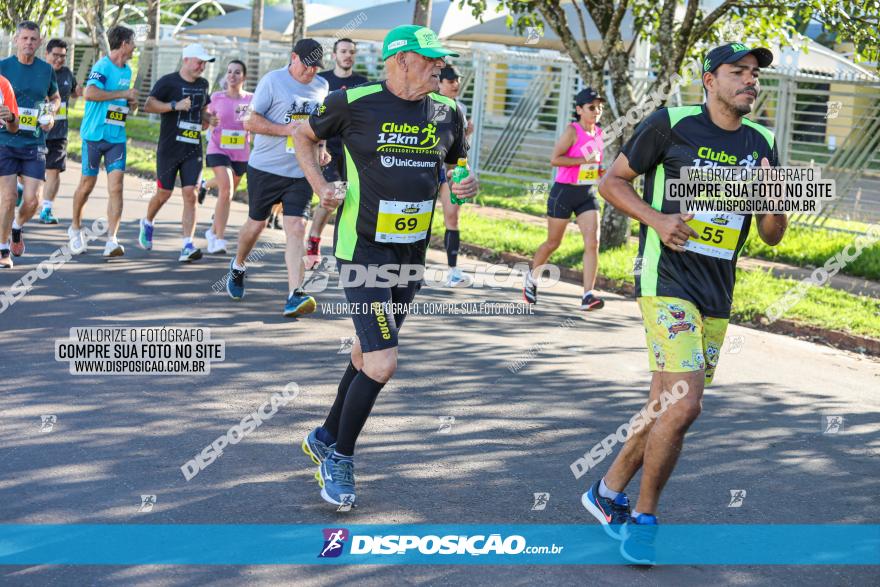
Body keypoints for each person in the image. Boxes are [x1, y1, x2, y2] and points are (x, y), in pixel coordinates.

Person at [585, 43, 787, 565]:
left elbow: (772, 236)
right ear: (708, 79)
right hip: (666, 278)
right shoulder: (670, 123)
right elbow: (610, 182)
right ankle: (644, 521)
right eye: (737, 72)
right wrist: (656, 218)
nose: (750, 81)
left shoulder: (762, 141)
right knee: (686, 401)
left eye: (754, 74)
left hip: (718, 289)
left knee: (666, 407)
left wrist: (773, 198)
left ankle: (605, 492)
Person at [295, 25, 476, 506]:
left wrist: (462, 183)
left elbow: (452, 166)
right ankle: (342, 458)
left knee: (365, 350)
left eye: (440, 60)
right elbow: (302, 135)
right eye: (430, 58)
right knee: (382, 361)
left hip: (411, 252)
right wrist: (319, 185)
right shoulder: (353, 101)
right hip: (364, 248)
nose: (439, 66)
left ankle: (326, 435)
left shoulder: (449, 111)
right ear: (400, 60)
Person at [224, 38, 329, 316]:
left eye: (316, 67)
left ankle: (295, 294)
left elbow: (318, 124)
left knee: (296, 227)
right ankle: (238, 265)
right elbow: (250, 121)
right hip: (266, 168)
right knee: (256, 225)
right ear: (294, 57)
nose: (311, 72)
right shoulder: (273, 81)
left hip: (300, 171)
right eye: (307, 66)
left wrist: (321, 149)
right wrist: (289, 130)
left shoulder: (321, 85)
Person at [523, 87, 606, 310]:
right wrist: (581, 159)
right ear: (579, 109)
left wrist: (604, 173)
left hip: (587, 193)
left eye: (599, 107)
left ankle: (588, 295)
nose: (596, 111)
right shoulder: (572, 131)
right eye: (591, 107)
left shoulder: (599, 133)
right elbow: (555, 159)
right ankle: (531, 279)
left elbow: (595, 166)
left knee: (593, 243)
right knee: (553, 242)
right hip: (564, 192)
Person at [140, 43, 215, 262]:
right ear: (186, 60)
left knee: (190, 194)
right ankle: (147, 221)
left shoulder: (203, 84)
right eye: (199, 62)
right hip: (170, 149)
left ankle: (187, 245)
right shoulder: (168, 81)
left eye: (204, 63)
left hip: (193, 148)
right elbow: (148, 105)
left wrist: (209, 120)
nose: (202, 67)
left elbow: (203, 111)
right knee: (164, 193)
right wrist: (174, 105)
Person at [68, 25, 137, 257]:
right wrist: (123, 95)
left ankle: (112, 240)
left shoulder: (127, 70)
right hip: (93, 136)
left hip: (116, 137)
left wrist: (130, 104)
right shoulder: (102, 65)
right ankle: (75, 229)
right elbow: (90, 93)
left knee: (116, 187)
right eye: (133, 42)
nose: (136, 46)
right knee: (86, 186)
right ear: (124, 44)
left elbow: (120, 102)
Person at [305, 38, 369, 268]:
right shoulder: (323, 82)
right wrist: (319, 146)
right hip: (328, 147)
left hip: (353, 150)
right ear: (334, 55)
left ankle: (345, 244)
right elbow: (316, 117)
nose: (348, 55)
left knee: (349, 198)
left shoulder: (362, 83)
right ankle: (314, 238)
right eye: (343, 51)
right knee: (334, 192)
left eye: (352, 52)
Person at [0, 20, 60, 267]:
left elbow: (54, 98)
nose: (28, 43)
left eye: (33, 39)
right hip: (5, 139)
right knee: (8, 196)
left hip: (34, 141)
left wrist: (52, 114)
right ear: (16, 40)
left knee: (32, 200)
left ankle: (17, 227)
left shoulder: (46, 70)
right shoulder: (3, 67)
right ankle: (3, 248)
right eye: (24, 38)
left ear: (39, 42)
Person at [201, 59, 252, 255]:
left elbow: (255, 123)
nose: (232, 75)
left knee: (226, 196)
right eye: (229, 71)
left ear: (244, 77)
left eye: (237, 72)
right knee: (226, 190)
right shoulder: (216, 97)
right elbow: (204, 118)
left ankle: (212, 232)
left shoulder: (250, 99)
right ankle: (220, 239)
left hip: (241, 151)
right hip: (218, 148)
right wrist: (209, 119)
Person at [436, 64, 474, 287]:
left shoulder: (460, 107)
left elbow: (460, 147)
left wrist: (466, 134)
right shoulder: (428, 103)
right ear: (439, 83)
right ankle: (411, 267)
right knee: (422, 217)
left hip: (453, 168)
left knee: (452, 217)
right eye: (450, 81)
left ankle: (453, 271)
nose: (456, 85)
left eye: (458, 80)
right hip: (429, 167)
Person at [40, 38, 81, 225]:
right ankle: (21, 189)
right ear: (46, 53)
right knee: (29, 172)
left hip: (59, 133)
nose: (58, 59)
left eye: (62, 56)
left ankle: (46, 209)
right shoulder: (37, 71)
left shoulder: (66, 73)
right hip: (36, 131)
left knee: (54, 170)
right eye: (55, 55)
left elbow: (75, 91)